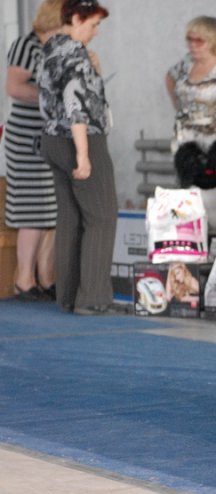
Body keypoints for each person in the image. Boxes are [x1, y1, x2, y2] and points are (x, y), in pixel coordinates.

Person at [38, 0, 116, 315]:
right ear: (75, 18)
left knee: (69, 218)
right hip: (80, 139)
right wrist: (83, 155)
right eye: (93, 24)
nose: (96, 32)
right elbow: (76, 104)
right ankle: (93, 298)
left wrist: (94, 71)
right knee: (101, 217)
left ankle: (68, 296)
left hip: (51, 139)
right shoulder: (76, 54)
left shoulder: (50, 50)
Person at [3, 0, 63, 302]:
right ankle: (23, 280)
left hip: (46, 138)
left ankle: (44, 275)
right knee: (31, 210)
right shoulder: (27, 45)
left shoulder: (55, 47)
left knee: (49, 211)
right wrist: (48, 97)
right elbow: (13, 87)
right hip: (25, 139)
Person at [165, 16, 216, 153]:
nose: (192, 45)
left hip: (214, 147)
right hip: (184, 147)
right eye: (189, 39)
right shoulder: (185, 65)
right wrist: (178, 105)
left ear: (214, 41)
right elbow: (169, 77)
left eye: (199, 41)